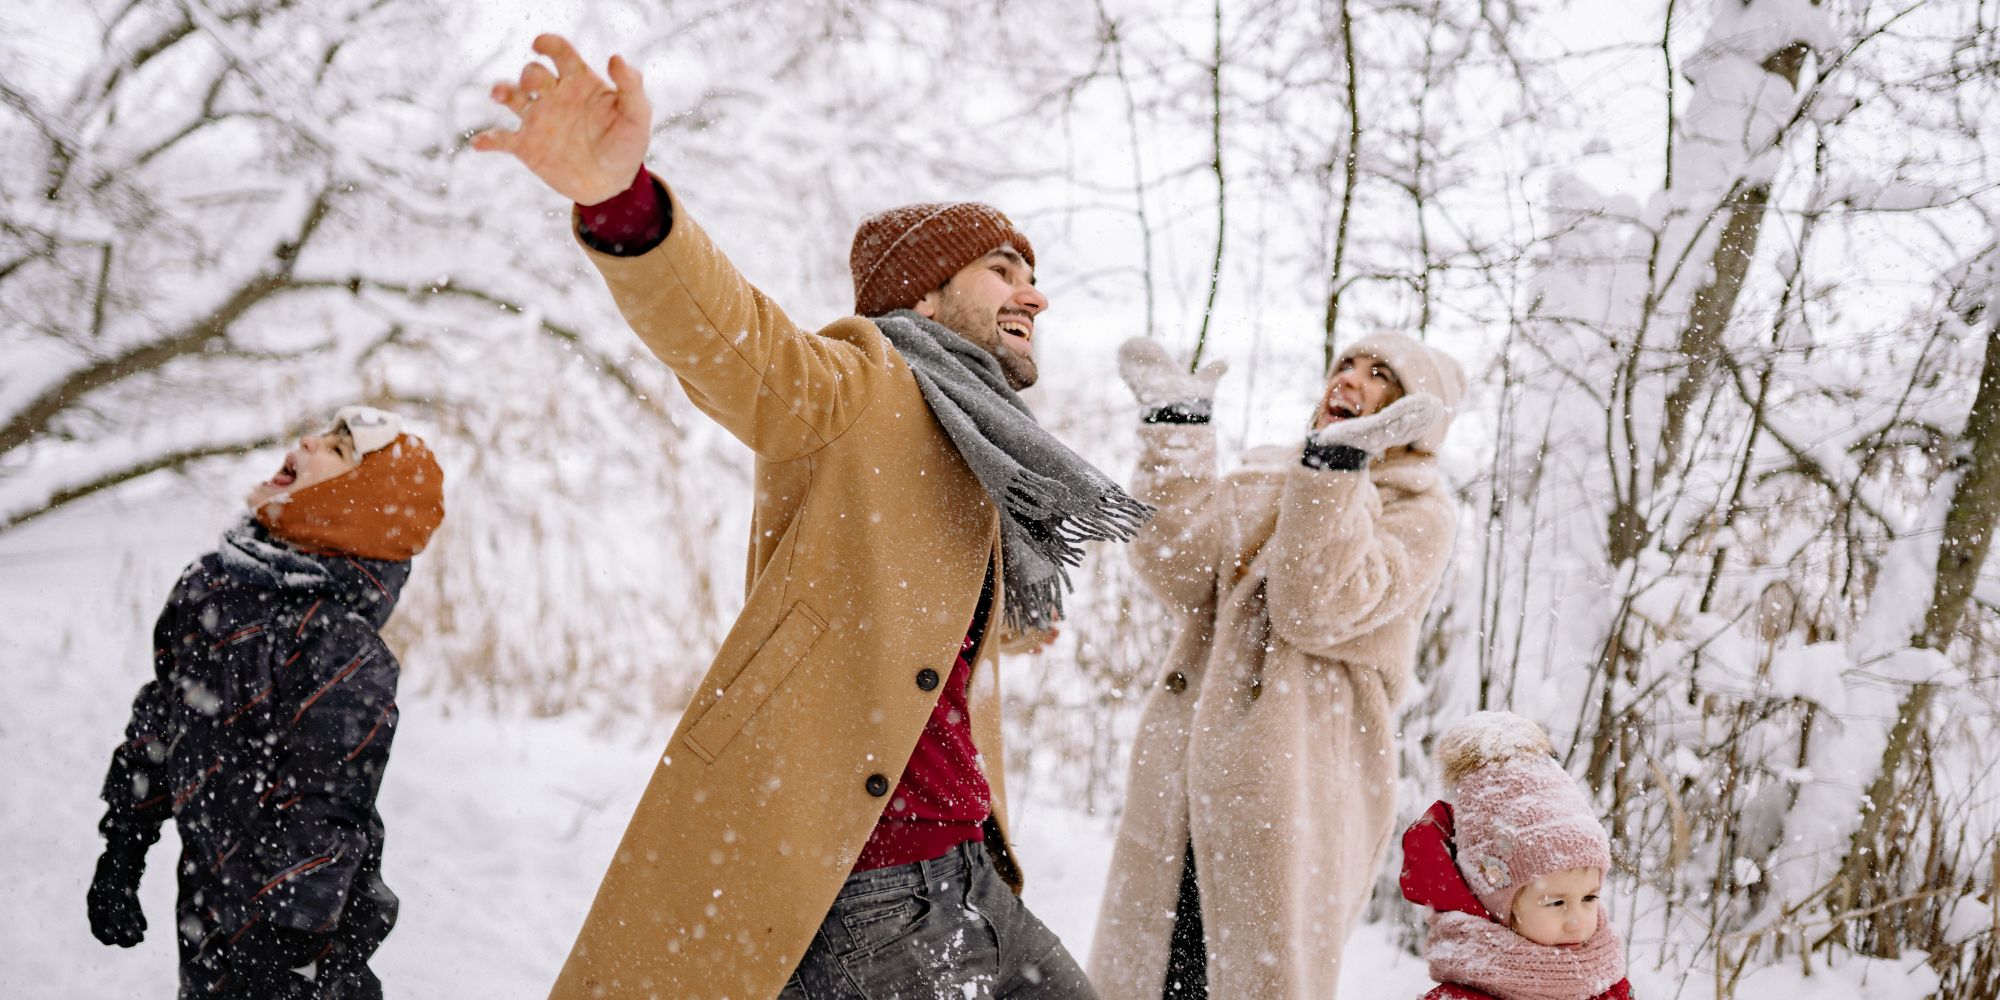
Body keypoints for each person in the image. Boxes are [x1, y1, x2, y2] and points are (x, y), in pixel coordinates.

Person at [473, 34, 1146, 1000]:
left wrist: (987, 625)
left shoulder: (984, 444)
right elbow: (735, 344)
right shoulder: (859, 384)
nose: (1034, 293)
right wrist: (624, 203)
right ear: (923, 288)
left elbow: (896, 612)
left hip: (970, 874)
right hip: (868, 888)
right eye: (1004, 269)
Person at [1090, 333, 1464, 999]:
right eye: (1344, 364)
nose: (1348, 380)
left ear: (1418, 416)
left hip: (1295, 784)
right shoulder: (1279, 470)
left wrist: (1338, 472)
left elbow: (1312, 607)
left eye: (1380, 374)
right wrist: (1177, 433)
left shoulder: (1420, 512)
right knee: (1154, 975)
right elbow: (1176, 566)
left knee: (1250, 977)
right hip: (1185, 775)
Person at [86, 406, 445, 999]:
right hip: (208, 907)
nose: (307, 440)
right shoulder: (212, 585)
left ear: (354, 501)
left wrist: (290, 945)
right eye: (321, 432)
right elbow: (165, 713)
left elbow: (325, 807)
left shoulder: (339, 647)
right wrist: (124, 840)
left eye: (337, 448)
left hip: (302, 938)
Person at [1398, 711, 1632, 1000]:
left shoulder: (1608, 984)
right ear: (1499, 907)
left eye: (1589, 898)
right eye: (1556, 902)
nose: (1576, 921)